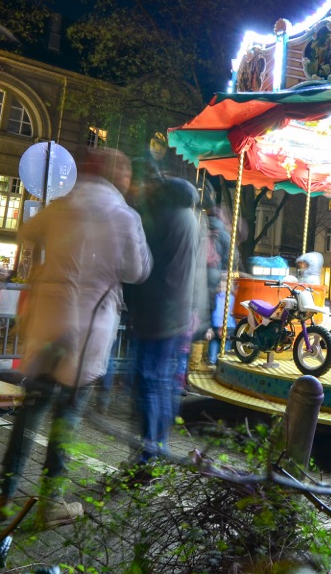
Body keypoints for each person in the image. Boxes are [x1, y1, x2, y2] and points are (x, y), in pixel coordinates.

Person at [0, 148, 151, 524]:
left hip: (48, 326)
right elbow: (138, 270)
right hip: (88, 331)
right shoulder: (124, 215)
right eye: (124, 170)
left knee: (31, 414)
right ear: (114, 175)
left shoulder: (61, 207)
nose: (128, 178)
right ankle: (50, 503)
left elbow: (27, 231)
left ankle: (3, 496)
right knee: (67, 419)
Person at [125, 174, 205, 466]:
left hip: (156, 313)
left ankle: (147, 455)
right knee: (162, 384)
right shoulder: (190, 218)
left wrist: (132, 302)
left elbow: (143, 267)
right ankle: (158, 446)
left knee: (147, 382)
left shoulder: (163, 216)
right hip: (177, 314)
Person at [204, 205, 232, 365]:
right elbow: (231, 255)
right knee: (217, 308)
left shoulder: (202, 227)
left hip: (200, 276)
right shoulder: (223, 233)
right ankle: (218, 359)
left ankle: (202, 356)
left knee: (203, 315)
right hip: (216, 275)